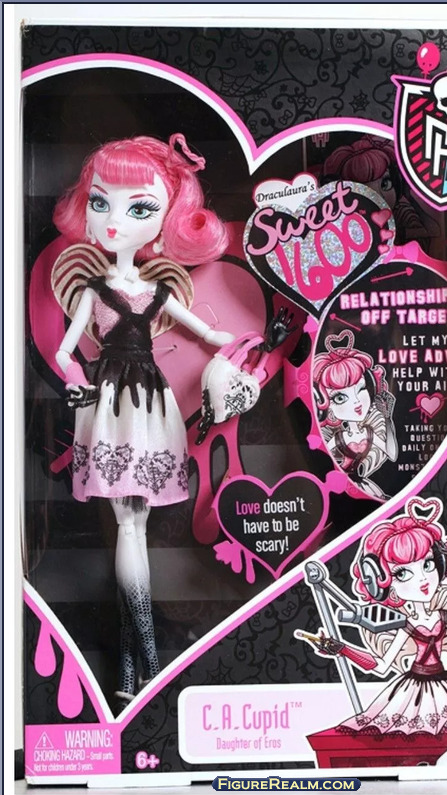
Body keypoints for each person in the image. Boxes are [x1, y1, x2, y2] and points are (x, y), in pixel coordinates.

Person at [51, 133, 233, 711]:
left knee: (135, 525)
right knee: (129, 525)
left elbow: (206, 329)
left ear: (165, 224)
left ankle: (136, 667)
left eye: (139, 208)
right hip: (110, 402)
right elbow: (64, 351)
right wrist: (73, 377)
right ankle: (147, 660)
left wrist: (232, 344)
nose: (112, 221)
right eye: (99, 202)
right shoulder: (94, 289)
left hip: (149, 405)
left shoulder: (158, 290)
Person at [305, 498, 447, 766]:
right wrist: (341, 649)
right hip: (421, 690)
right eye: (402, 573)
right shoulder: (405, 625)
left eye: (428, 564)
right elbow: (380, 667)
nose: (422, 579)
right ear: (382, 582)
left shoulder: (441, 614)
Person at [313, 330, 398, 499]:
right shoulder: (339, 438)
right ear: (325, 404)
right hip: (339, 487)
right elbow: (318, 460)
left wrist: (388, 419)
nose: (357, 402)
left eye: (361, 389)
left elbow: (393, 455)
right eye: (340, 397)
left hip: (362, 486)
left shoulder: (369, 433)